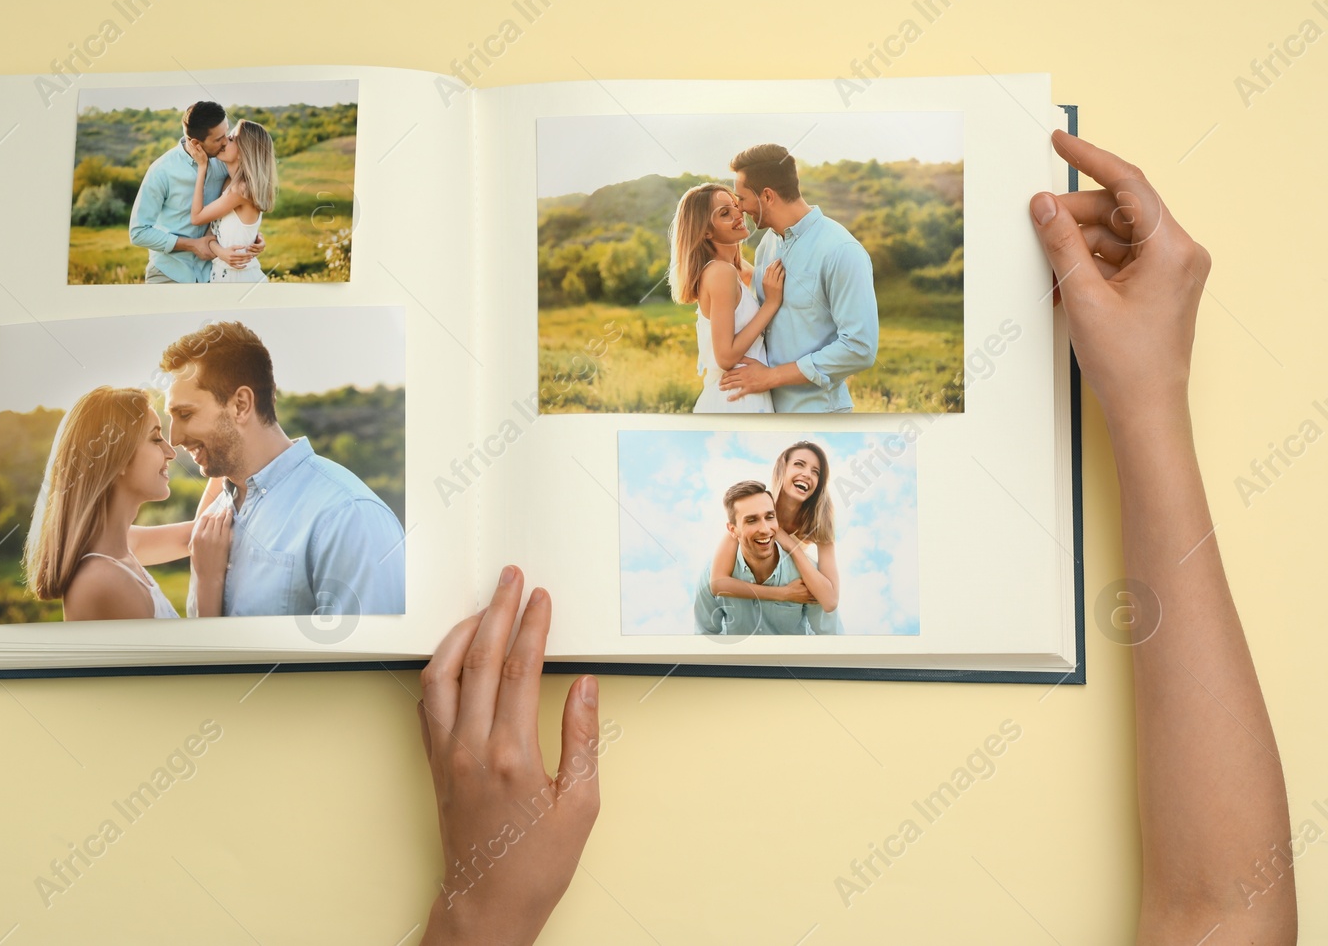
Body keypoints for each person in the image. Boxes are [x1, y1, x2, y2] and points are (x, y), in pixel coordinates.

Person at [415, 131, 1296, 944]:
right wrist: (1147, 403)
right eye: (723, 207)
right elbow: (1224, 905)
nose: (737, 210)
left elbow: (855, 361)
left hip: (797, 411)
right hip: (756, 408)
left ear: (758, 196)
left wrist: (479, 914)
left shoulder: (826, 259)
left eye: (739, 200)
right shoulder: (759, 262)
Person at [161, 320, 406, 617]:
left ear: (240, 405)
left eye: (185, 414)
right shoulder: (212, 519)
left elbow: (365, 659)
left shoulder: (348, 516)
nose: (173, 438)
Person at [21, 386, 230, 620]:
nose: (170, 452)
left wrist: (222, 455)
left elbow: (199, 533)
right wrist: (209, 581)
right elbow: (199, 657)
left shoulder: (118, 547)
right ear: (117, 459)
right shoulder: (103, 582)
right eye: (155, 438)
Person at [719, 143, 880, 412]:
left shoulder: (841, 250)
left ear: (767, 196)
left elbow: (860, 348)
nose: (741, 209)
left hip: (820, 413)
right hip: (767, 410)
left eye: (742, 198)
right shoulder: (766, 245)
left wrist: (771, 377)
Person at [666, 182, 785, 413]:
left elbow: (755, 274)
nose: (738, 214)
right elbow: (725, 356)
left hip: (745, 394)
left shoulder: (733, 270)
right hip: (735, 399)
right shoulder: (721, 272)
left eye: (735, 206)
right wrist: (770, 304)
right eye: (724, 213)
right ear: (707, 231)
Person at [706, 440, 843, 635]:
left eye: (816, 471)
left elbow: (830, 602)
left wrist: (790, 545)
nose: (807, 474)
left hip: (797, 615)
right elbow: (717, 583)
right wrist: (783, 594)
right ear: (782, 469)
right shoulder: (758, 507)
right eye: (799, 464)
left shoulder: (820, 520)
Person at [127, 100, 259, 284]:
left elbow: (240, 202)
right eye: (218, 139)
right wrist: (192, 246)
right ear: (196, 143)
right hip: (169, 273)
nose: (225, 141)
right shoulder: (161, 171)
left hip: (212, 274)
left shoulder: (223, 161)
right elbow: (138, 232)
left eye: (226, 132)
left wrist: (251, 235)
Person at [692, 480, 812, 635]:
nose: (764, 528)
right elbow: (717, 585)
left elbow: (828, 629)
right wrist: (784, 594)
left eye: (770, 517)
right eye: (752, 520)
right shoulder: (716, 566)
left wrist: (793, 549)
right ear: (733, 529)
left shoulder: (804, 569)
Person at [188, 118, 276, 284]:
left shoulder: (240, 190)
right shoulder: (230, 184)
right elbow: (213, 232)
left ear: (244, 151)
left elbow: (196, 218)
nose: (223, 141)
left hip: (239, 279)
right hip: (222, 275)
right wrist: (220, 251)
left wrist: (202, 167)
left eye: (230, 139)